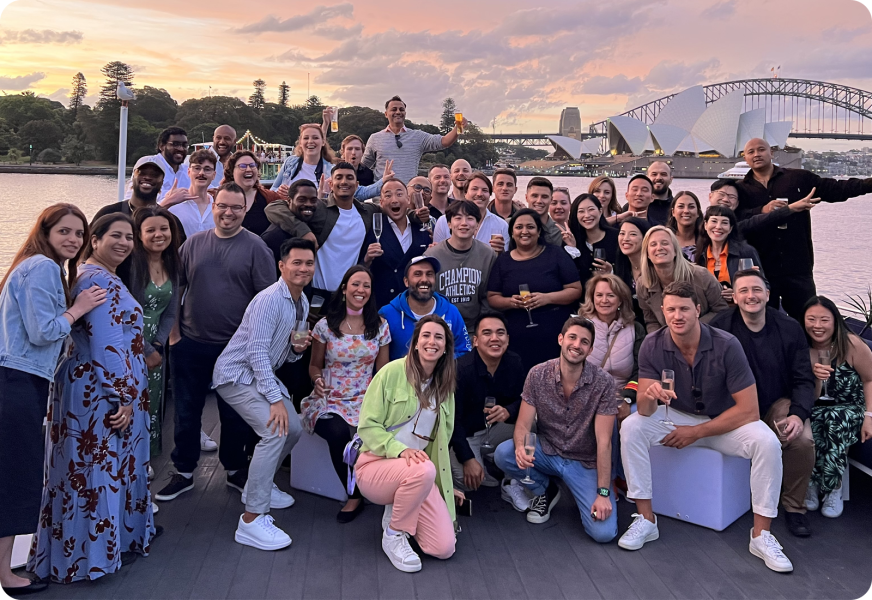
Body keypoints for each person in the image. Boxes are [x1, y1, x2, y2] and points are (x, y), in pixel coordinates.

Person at [618, 281, 793, 574]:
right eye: (671, 309)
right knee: (632, 427)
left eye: (684, 309)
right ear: (662, 312)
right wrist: (646, 396)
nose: (677, 315)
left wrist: (696, 432)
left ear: (698, 310)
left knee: (767, 442)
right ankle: (646, 519)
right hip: (674, 416)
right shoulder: (652, 343)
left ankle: (761, 535)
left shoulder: (726, 344)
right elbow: (647, 411)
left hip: (724, 421)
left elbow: (749, 410)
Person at [29, 214, 158, 583]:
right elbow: (106, 344)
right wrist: (123, 396)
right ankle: (88, 560)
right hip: (98, 391)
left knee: (94, 470)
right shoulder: (97, 279)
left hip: (95, 385)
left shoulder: (98, 275)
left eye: (129, 237)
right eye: (114, 236)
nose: (124, 243)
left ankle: (94, 550)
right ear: (96, 240)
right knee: (95, 473)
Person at [0, 204, 104, 594]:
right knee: (14, 476)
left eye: (79, 234)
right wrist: (78, 309)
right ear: (46, 231)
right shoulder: (43, 267)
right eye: (65, 231)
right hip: (17, 382)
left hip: (14, 377)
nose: (73, 240)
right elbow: (43, 331)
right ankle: (4, 574)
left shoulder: (31, 265)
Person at [155, 183, 276, 503]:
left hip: (236, 349)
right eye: (223, 205)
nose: (228, 212)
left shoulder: (257, 248)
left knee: (234, 414)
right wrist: (174, 335)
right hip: (191, 342)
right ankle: (183, 471)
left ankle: (236, 469)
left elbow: (266, 301)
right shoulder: (192, 244)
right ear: (214, 205)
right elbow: (175, 292)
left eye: (236, 207)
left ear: (245, 210)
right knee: (186, 410)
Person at [212, 238, 317, 550]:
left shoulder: (302, 302)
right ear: (282, 266)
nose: (303, 269)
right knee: (274, 431)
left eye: (308, 263)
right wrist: (275, 399)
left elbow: (290, 353)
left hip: (262, 376)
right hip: (236, 375)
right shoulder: (269, 300)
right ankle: (251, 518)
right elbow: (257, 353)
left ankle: (261, 485)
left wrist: (298, 350)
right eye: (296, 263)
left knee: (294, 429)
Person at [710, 270, 816, 537]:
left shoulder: (790, 328)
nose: (750, 296)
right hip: (732, 405)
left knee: (801, 439)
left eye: (756, 290)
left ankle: (794, 507)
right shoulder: (719, 327)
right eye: (743, 291)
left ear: (768, 295)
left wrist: (797, 414)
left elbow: (803, 379)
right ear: (733, 297)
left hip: (775, 403)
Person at [494, 316, 619, 542]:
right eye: (572, 337)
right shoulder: (538, 374)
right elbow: (522, 425)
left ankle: (583, 489)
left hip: (584, 461)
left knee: (603, 533)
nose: (576, 345)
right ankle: (545, 489)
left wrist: (603, 493)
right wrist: (521, 448)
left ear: (590, 349)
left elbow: (604, 443)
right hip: (548, 451)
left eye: (584, 342)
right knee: (504, 453)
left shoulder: (604, 383)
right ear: (561, 339)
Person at [355, 315, 458, 572]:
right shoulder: (391, 372)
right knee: (422, 470)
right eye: (426, 335)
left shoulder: (445, 387)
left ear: (445, 347)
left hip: (418, 474)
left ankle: (403, 504)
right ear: (414, 342)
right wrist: (400, 451)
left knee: (444, 548)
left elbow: (442, 444)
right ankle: (394, 533)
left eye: (438, 337)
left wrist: (448, 488)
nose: (431, 342)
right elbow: (367, 427)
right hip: (375, 466)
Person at [735, 138, 872, 319]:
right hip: (762, 270)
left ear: (772, 153)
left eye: (761, 150)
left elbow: (836, 189)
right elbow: (735, 222)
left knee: (808, 319)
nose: (756, 154)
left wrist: (868, 184)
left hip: (798, 267)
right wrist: (762, 210)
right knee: (764, 322)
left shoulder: (797, 178)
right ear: (745, 158)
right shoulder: (740, 189)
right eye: (750, 152)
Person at [300, 266, 391, 522]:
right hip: (330, 395)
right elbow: (314, 365)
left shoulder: (380, 327)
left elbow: (382, 370)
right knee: (337, 431)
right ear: (344, 289)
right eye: (355, 284)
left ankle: (383, 487)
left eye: (366, 286)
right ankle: (355, 494)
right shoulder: (325, 326)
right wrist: (317, 380)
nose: (360, 290)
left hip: (366, 395)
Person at [801, 296, 872, 519]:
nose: (817, 326)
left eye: (824, 320)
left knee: (833, 418)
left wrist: (869, 415)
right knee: (814, 419)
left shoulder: (850, 344)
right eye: (811, 319)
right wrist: (815, 379)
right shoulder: (802, 349)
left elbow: (870, 380)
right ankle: (812, 484)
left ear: (835, 321)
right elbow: (810, 397)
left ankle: (833, 487)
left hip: (852, 406)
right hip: (819, 407)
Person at [487, 209, 583, 373]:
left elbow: (575, 289)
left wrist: (547, 298)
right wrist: (510, 302)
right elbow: (492, 296)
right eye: (519, 227)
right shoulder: (504, 260)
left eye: (530, 227)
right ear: (512, 232)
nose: (524, 231)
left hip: (554, 335)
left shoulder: (555, 254)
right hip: (517, 339)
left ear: (539, 231)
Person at [122, 206, 180, 461]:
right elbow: (122, 314)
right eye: (151, 230)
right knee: (130, 401)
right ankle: (128, 458)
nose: (159, 234)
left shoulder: (172, 262)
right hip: (128, 345)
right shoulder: (130, 266)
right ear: (139, 234)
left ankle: (145, 456)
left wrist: (157, 345)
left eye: (164, 228)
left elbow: (170, 312)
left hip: (156, 346)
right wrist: (144, 348)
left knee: (152, 401)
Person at [450, 314, 525, 498]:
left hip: (497, 429)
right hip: (467, 436)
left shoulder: (514, 362)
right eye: (487, 333)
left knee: (530, 425)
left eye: (500, 333)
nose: (494, 338)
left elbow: (524, 400)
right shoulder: (460, 370)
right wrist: (467, 458)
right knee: (467, 482)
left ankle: (509, 477)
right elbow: (452, 420)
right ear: (475, 340)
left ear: (507, 339)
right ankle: (485, 460)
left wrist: (509, 410)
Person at [636, 226, 728, 333]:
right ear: (647, 254)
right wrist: (661, 340)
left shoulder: (701, 276)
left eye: (665, 243)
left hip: (705, 335)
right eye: (653, 244)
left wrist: (692, 328)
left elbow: (721, 310)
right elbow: (651, 321)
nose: (659, 248)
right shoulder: (643, 284)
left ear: (675, 250)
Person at [379, 256, 471, 361]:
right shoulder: (387, 314)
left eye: (429, 274)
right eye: (417, 274)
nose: (424, 279)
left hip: (442, 376)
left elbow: (464, 351)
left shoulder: (451, 312)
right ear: (406, 281)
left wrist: (440, 364)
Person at [580, 274, 646, 420]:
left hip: (625, 396)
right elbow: (570, 369)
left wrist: (627, 398)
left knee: (637, 420)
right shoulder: (580, 327)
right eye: (599, 295)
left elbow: (641, 370)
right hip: (587, 397)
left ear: (620, 300)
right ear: (592, 298)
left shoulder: (636, 329)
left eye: (611, 295)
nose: (604, 300)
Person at [425, 200, 498, 331]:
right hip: (439, 327)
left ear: (477, 225)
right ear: (449, 224)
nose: (464, 223)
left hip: (474, 328)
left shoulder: (488, 254)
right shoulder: (431, 255)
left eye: (470, 218)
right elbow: (426, 297)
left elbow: (488, 296)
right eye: (458, 218)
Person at [361, 178, 431, 308]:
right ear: (381, 202)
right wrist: (367, 259)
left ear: (408, 199)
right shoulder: (373, 228)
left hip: (415, 305)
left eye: (399, 194)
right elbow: (360, 268)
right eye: (388, 195)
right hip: (382, 305)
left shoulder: (422, 229)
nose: (394, 200)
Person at [362, 96, 466, 183]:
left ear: (405, 113)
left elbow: (444, 142)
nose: (398, 112)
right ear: (386, 114)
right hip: (381, 196)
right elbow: (362, 167)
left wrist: (458, 128)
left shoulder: (418, 137)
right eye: (394, 109)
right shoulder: (375, 138)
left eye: (401, 109)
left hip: (409, 197)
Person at [272, 124, 384, 202]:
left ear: (323, 142)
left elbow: (358, 193)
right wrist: (279, 191)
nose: (310, 141)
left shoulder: (331, 170)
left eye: (315, 137)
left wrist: (384, 181)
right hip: (288, 212)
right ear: (300, 143)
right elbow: (273, 189)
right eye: (306, 138)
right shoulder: (290, 163)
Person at [94, 156, 187, 246]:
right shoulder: (108, 213)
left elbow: (180, 257)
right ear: (133, 177)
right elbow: (86, 248)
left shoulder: (171, 221)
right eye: (142, 173)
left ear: (162, 181)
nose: (147, 177)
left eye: (155, 175)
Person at [694, 205, 765, 304]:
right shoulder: (699, 254)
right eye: (714, 221)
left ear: (730, 228)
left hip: (737, 310)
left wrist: (737, 293)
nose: (718, 227)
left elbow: (764, 286)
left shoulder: (745, 252)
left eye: (724, 223)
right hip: (709, 311)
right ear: (705, 225)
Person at [432, 171, 508, 252]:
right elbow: (437, 254)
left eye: (485, 190)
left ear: (490, 195)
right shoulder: (444, 221)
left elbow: (505, 259)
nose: (479, 194)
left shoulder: (501, 225)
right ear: (465, 192)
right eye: (474, 189)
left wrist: (501, 252)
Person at [261, 179, 320, 266]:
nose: (308, 204)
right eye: (302, 200)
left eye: (313, 200)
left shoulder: (315, 223)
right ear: (289, 201)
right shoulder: (274, 236)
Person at [125, 127, 191, 202]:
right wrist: (168, 200)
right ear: (161, 146)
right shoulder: (150, 164)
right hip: (148, 213)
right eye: (175, 144)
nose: (181, 149)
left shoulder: (188, 172)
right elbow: (131, 202)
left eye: (184, 145)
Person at [567, 194, 619, 289]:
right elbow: (570, 276)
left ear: (600, 211)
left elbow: (626, 270)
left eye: (591, 209)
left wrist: (610, 271)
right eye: (581, 211)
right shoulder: (572, 240)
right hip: (582, 300)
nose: (587, 215)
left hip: (612, 296)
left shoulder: (617, 237)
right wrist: (572, 249)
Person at [166, 149, 218, 238]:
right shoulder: (173, 204)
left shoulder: (218, 206)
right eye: (197, 168)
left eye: (207, 169)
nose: (201, 173)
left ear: (214, 175)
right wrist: (166, 202)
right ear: (189, 172)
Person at [222, 150, 274, 236]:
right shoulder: (218, 197)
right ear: (232, 171)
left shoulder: (270, 197)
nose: (249, 169)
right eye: (242, 166)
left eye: (252, 165)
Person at [613, 217, 652, 325]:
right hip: (629, 326)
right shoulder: (621, 267)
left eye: (633, 234)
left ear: (645, 238)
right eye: (622, 234)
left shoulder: (654, 268)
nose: (625, 239)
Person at [525, 177, 563, 246]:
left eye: (544, 197)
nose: (539, 201)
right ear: (526, 198)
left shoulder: (560, 232)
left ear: (551, 200)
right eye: (534, 196)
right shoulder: (511, 225)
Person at [666, 191, 701, 260]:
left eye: (691, 207)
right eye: (681, 206)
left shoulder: (707, 239)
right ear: (673, 212)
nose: (686, 211)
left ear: (698, 212)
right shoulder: (665, 238)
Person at [645, 161, 674, 225]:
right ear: (647, 179)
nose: (658, 178)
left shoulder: (677, 207)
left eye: (663, 174)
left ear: (671, 179)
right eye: (654, 174)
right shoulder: (635, 206)